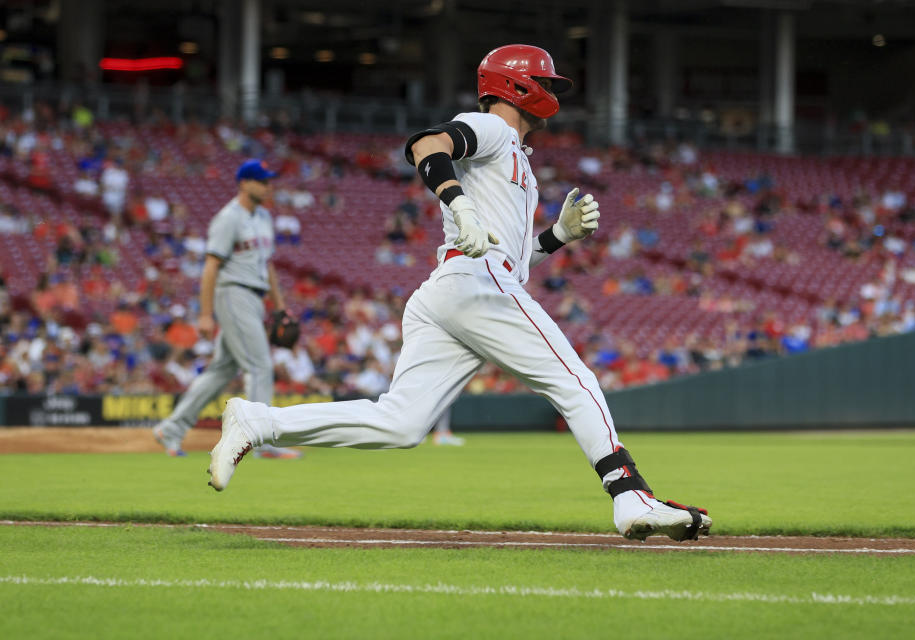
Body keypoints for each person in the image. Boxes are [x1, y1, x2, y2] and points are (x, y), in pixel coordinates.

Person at [207, 46, 710, 542]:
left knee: (400, 424)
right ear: (518, 86)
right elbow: (426, 146)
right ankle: (631, 496)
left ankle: (257, 420)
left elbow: (510, 259)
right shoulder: (493, 128)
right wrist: (460, 204)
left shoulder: (517, 158)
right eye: (548, 83)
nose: (553, 92)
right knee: (575, 381)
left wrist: (556, 237)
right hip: (474, 283)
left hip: (455, 289)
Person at [152, 159, 300, 460]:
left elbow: (267, 264)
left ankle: (171, 428)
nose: (269, 186)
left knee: (221, 370)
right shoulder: (228, 218)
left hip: (254, 297)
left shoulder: (263, 218)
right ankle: (262, 443)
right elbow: (210, 267)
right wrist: (205, 314)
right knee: (260, 366)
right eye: (263, 180)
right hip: (233, 293)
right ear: (245, 183)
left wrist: (280, 306)